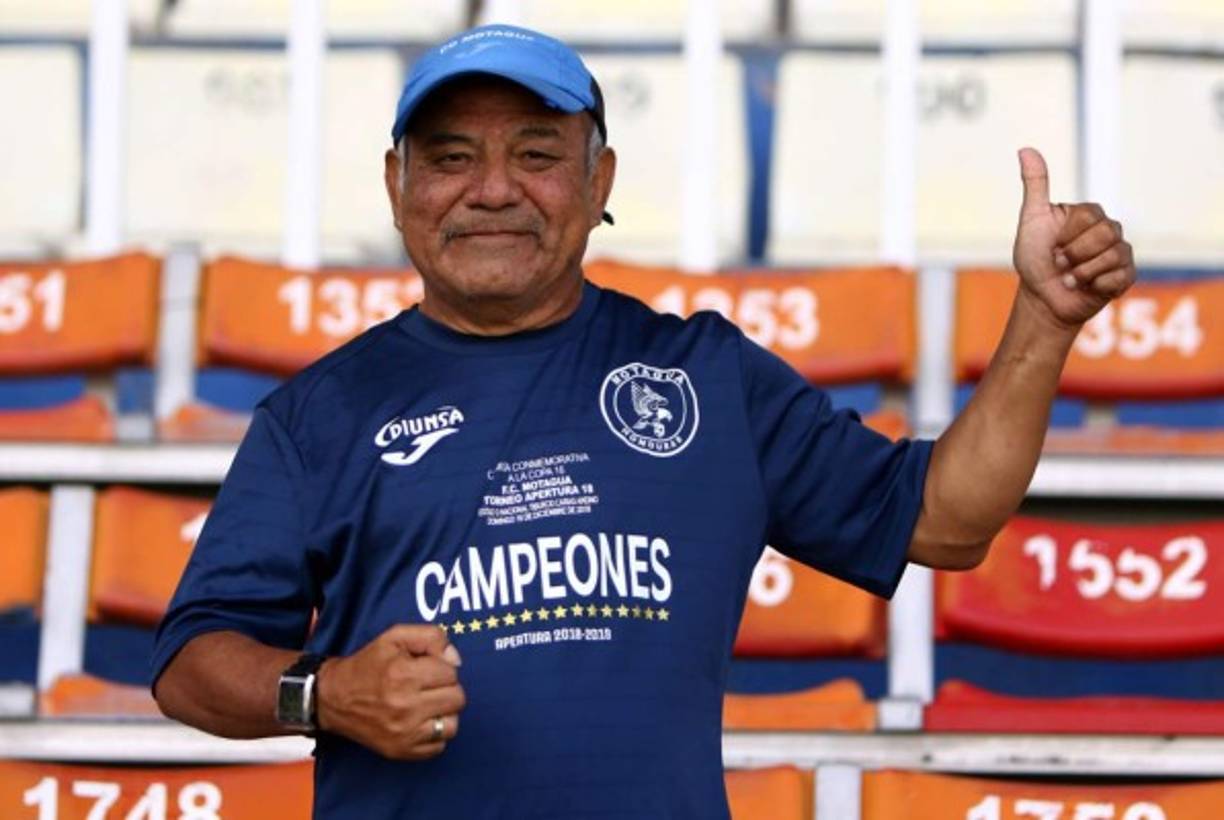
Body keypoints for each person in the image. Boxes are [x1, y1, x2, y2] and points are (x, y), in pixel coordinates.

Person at [151, 23, 1135, 819]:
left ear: (599, 185)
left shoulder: (705, 376)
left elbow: (946, 521)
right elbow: (192, 667)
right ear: (397, 188)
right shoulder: (317, 414)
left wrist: (1044, 321)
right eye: (451, 159)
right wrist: (327, 695)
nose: (492, 189)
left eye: (537, 155)